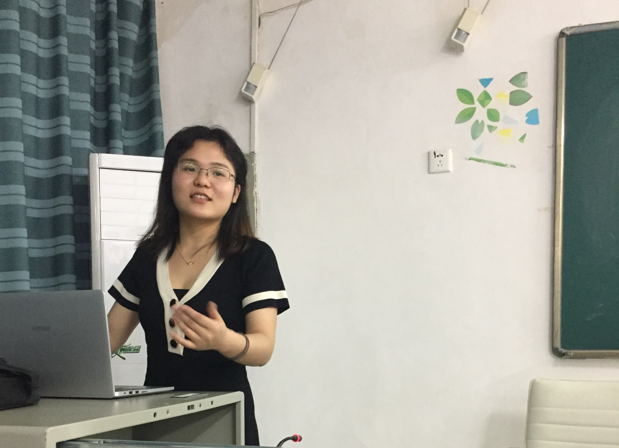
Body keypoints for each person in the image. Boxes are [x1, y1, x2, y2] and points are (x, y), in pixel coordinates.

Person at [107, 125, 289, 446]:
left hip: (224, 420)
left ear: (236, 192)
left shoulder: (254, 256)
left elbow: (263, 349)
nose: (203, 180)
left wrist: (224, 340)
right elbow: (107, 339)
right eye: (190, 168)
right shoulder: (148, 256)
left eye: (218, 172)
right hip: (155, 422)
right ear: (170, 179)